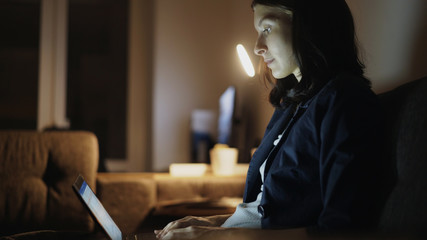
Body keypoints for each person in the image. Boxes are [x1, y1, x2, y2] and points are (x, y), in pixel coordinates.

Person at [155, 0, 384, 239]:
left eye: (267, 29)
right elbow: (264, 211)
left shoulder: (345, 100)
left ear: (309, 25)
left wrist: (218, 236)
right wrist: (213, 223)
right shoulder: (290, 105)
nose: (257, 47)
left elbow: (342, 230)